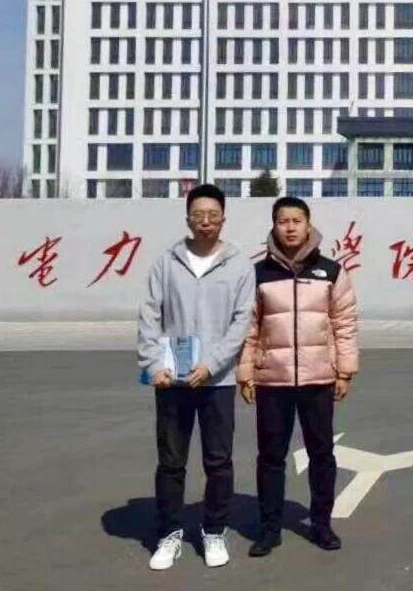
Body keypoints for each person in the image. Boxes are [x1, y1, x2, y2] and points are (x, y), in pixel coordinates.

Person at [137, 183, 256, 571]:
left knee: (218, 461)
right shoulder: (167, 262)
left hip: (216, 381)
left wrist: (213, 364)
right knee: (171, 461)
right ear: (187, 218)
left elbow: (241, 322)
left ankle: (214, 530)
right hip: (172, 379)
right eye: (198, 215)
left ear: (223, 218)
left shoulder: (239, 265)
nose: (206, 221)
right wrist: (153, 364)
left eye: (213, 215)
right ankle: (169, 533)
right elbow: (150, 315)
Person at [237, 196, 359, 557]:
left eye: (296, 221)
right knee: (270, 456)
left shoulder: (330, 271)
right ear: (273, 226)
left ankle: (321, 524)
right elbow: (248, 328)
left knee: (322, 454)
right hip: (272, 379)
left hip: (318, 378)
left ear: (308, 225)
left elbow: (344, 323)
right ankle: (269, 528)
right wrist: (246, 374)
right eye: (282, 221)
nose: (289, 227)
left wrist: (344, 371)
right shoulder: (258, 273)